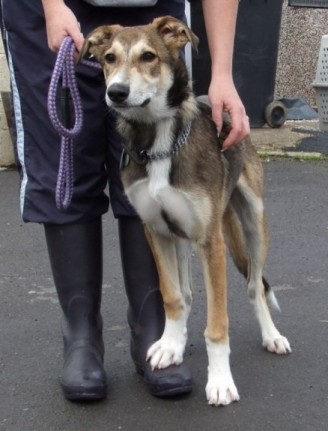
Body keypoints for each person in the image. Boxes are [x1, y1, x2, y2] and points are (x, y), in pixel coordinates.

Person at [0, 0, 249, 402]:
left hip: (153, 4)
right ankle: (81, 333)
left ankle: (154, 322)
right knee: (62, 160)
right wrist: (50, 5)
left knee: (150, 171)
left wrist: (221, 70)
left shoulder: (165, 38)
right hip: (50, 11)